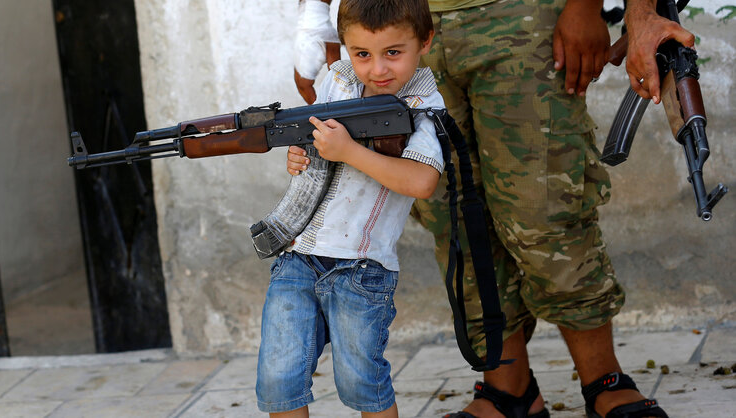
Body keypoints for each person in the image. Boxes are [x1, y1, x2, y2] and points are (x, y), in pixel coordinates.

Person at [288, 1, 673, 417]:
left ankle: (605, 381)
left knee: (545, 210)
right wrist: (314, 21)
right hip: (401, 27)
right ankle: (508, 390)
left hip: (518, 15)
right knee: (453, 218)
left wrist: (585, 5)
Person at [255, 1, 445, 417]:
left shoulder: (423, 106)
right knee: (278, 378)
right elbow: (314, 142)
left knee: (362, 383)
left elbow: (422, 181)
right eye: (362, 54)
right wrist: (299, 156)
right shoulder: (336, 80)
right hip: (297, 257)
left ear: (424, 42)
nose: (377, 69)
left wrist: (350, 151)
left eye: (393, 53)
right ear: (345, 48)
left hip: (362, 269)